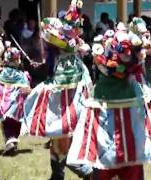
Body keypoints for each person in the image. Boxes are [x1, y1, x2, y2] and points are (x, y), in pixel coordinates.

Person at [67, 20, 151, 180]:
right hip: (131, 153)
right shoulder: (136, 91)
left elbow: (89, 129)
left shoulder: (101, 90)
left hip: (106, 156)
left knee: (105, 166)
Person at [21, 1, 93, 179]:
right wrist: (40, 65)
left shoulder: (70, 58)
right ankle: (57, 175)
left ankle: (88, 173)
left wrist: (32, 90)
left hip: (66, 103)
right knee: (58, 140)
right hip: (68, 101)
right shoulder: (72, 58)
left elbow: (54, 80)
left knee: (62, 139)